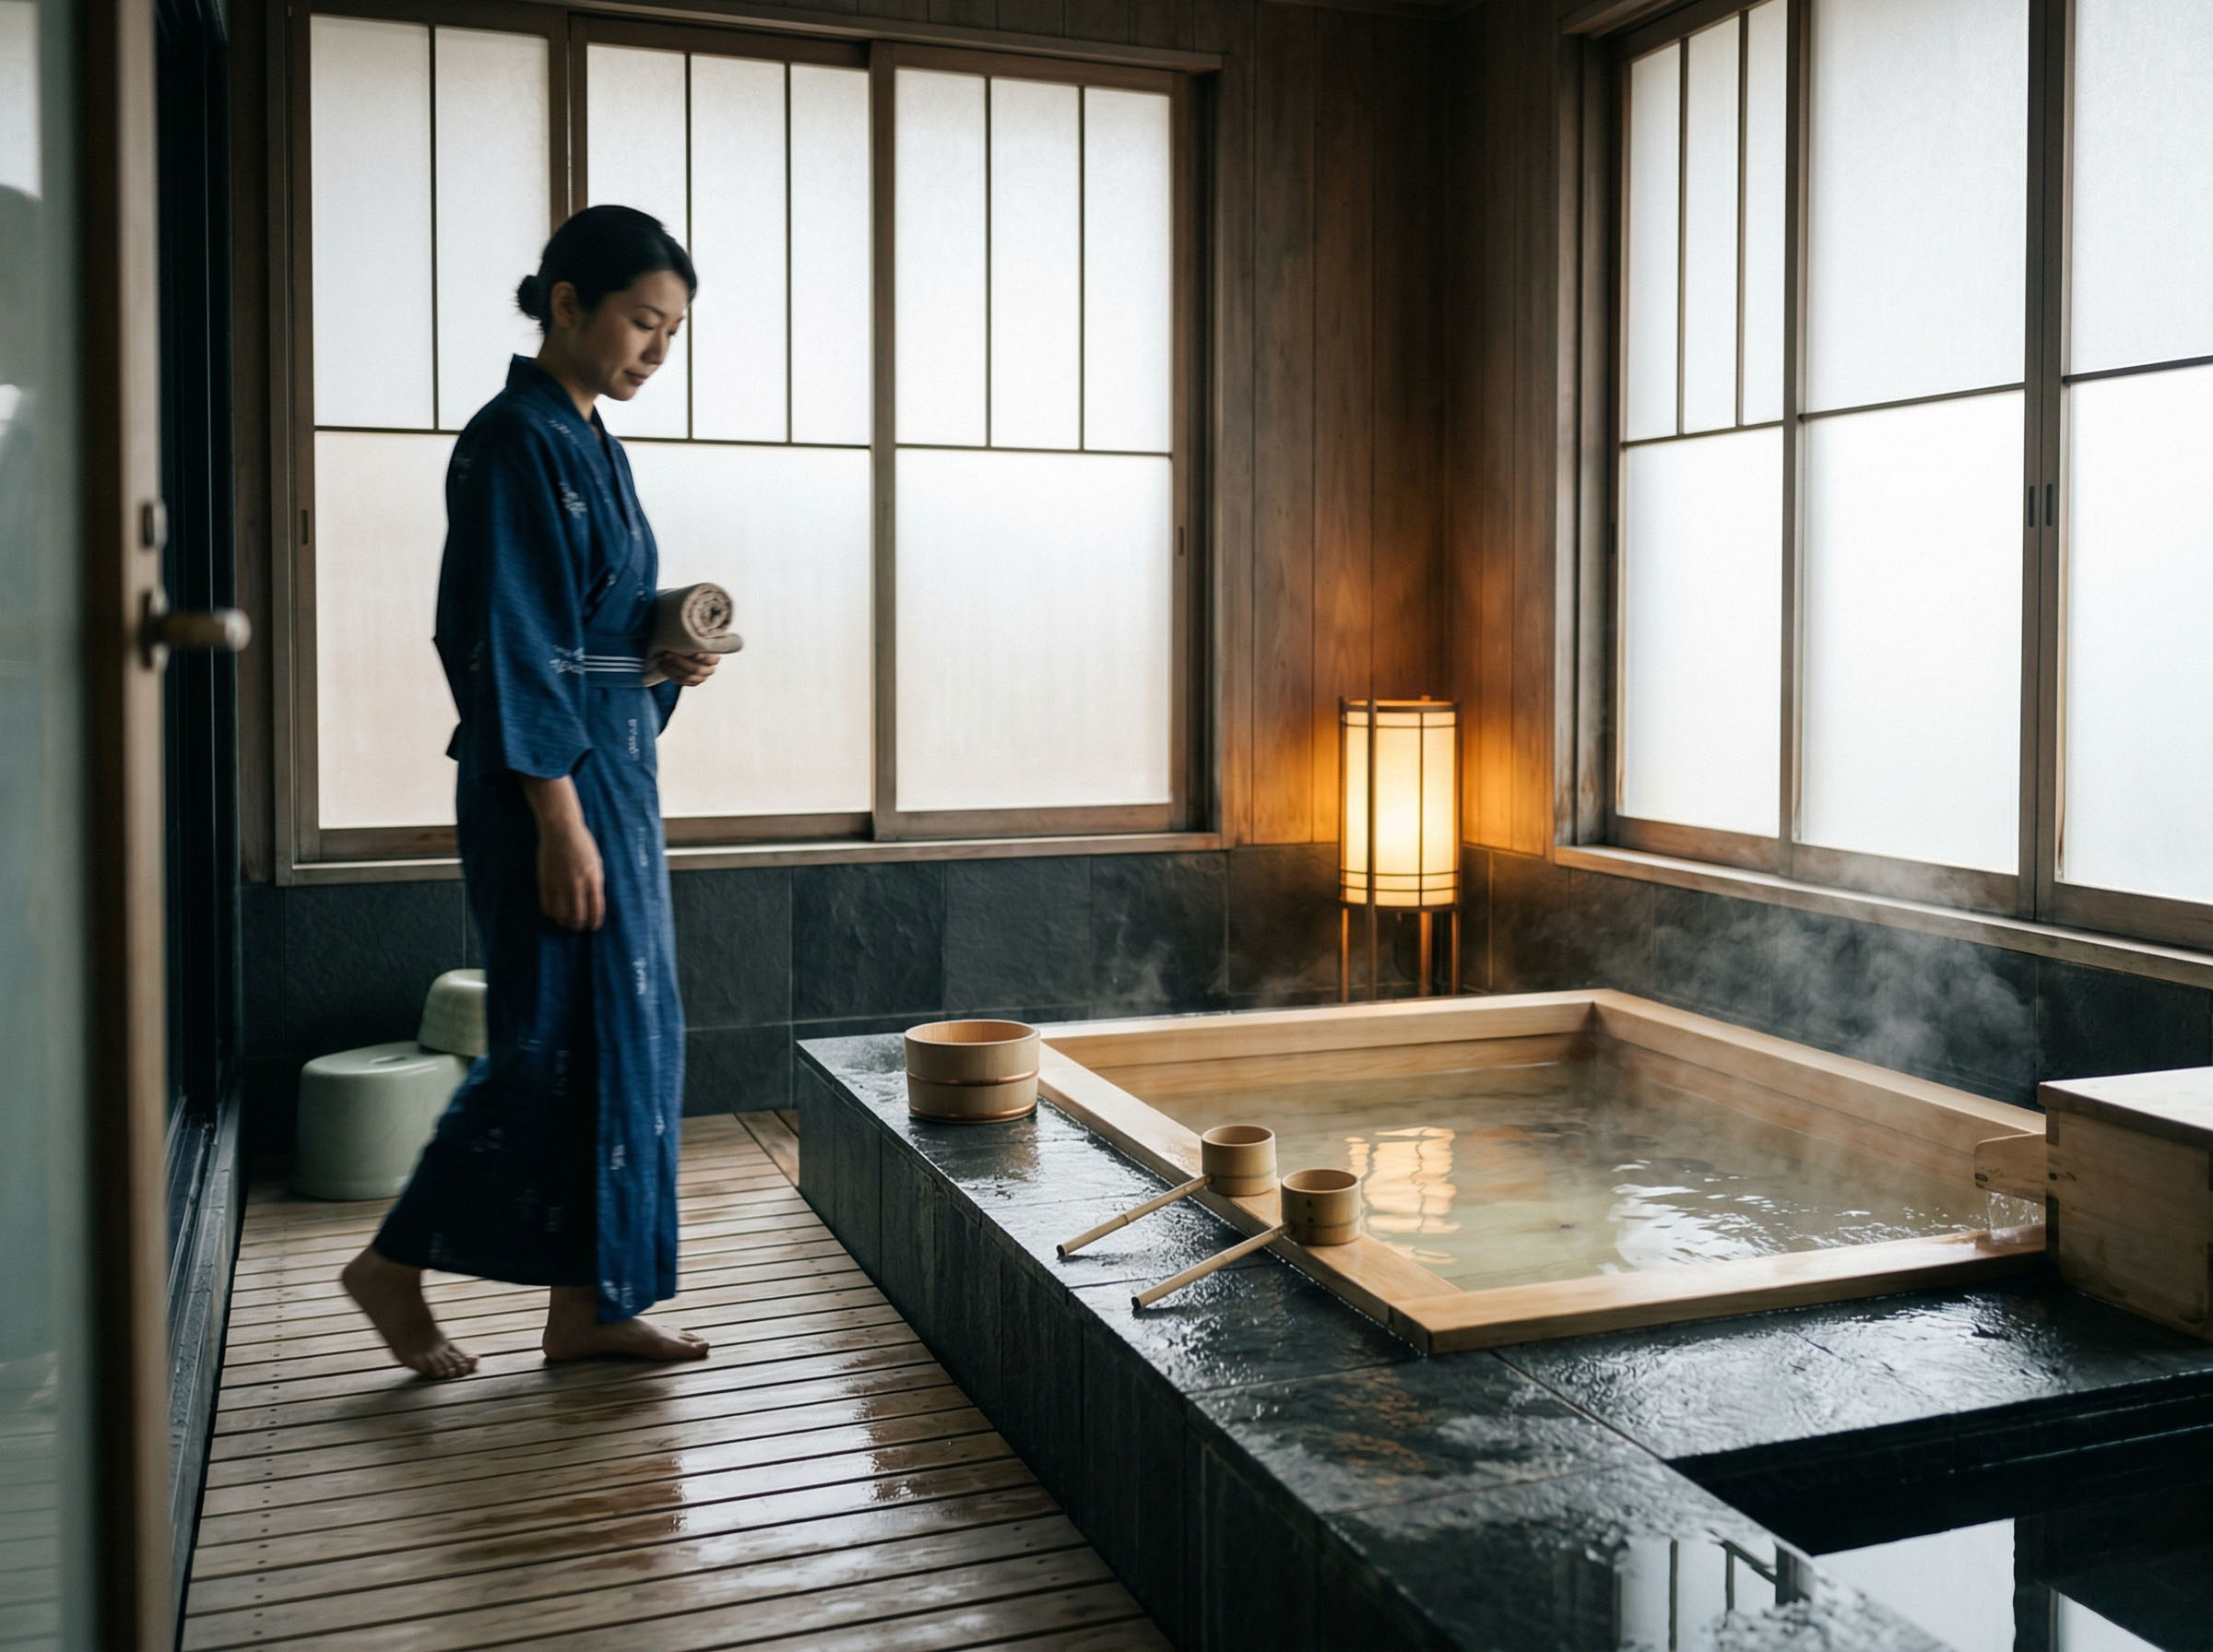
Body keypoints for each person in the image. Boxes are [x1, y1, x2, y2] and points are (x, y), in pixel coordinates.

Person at [341, 206, 718, 1378]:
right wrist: (556, 820)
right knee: (547, 1036)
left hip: (616, 773)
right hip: (548, 788)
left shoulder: (595, 440)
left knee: (626, 1036)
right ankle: (394, 1264)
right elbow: (506, 636)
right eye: (643, 322)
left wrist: (665, 654)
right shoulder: (513, 439)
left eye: (673, 332)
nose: (657, 350)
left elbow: (597, 625)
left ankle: (589, 1307)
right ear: (567, 303)